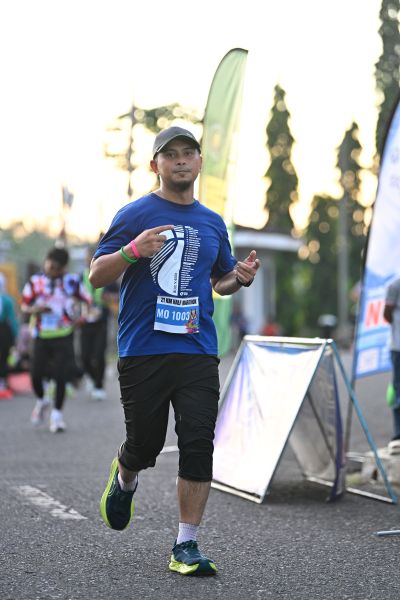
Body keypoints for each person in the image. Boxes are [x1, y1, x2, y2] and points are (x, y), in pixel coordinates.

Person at [90, 126, 260, 576]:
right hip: (143, 349)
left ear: (200, 162)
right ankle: (126, 474)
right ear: (156, 165)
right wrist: (132, 250)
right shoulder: (135, 214)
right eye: (170, 155)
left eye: (188, 153)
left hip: (197, 348)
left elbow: (220, 281)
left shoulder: (212, 222)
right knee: (145, 444)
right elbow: (96, 275)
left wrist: (239, 277)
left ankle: (186, 544)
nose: (181, 160)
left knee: (198, 443)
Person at [21, 246, 90, 432]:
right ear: (46, 263)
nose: (52, 271)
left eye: (57, 268)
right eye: (50, 266)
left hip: (64, 335)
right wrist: (35, 310)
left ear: (64, 268)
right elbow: (24, 305)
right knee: (35, 375)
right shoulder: (35, 282)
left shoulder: (72, 282)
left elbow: (87, 300)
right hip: (40, 334)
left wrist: (81, 318)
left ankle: (57, 416)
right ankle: (42, 400)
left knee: (61, 376)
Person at [79, 246, 119, 400]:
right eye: (87, 257)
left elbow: (119, 295)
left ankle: (99, 386)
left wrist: (109, 298)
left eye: (91, 257)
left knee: (99, 354)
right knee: (84, 356)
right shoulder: (80, 277)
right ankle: (90, 377)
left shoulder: (108, 275)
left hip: (101, 322)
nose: (88, 260)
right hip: (84, 322)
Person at [384, 277, 400, 454]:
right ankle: (398, 435)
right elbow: (387, 314)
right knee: (398, 392)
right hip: (398, 347)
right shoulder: (395, 286)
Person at [0, 273, 19, 399]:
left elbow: (11, 318)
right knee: (3, 357)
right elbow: (12, 319)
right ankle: (2, 382)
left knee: (3, 356)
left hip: (3, 331)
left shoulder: (6, 300)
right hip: (4, 331)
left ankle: (2, 382)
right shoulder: (7, 300)